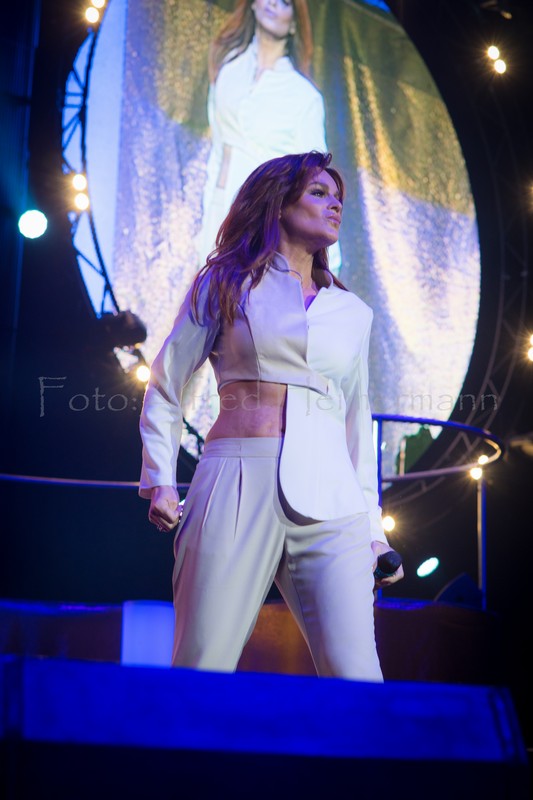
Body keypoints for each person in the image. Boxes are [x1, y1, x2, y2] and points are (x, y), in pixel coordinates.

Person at [139, 150, 403, 680]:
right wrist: (160, 478)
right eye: (318, 193)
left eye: (338, 198)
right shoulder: (226, 282)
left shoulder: (352, 311)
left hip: (333, 502)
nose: (334, 206)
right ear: (278, 203)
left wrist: (373, 530)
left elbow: (356, 422)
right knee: (202, 664)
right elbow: (166, 382)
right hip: (235, 482)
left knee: (358, 678)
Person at [197, 0, 341, 273]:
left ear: (294, 23)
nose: (273, 3)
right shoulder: (229, 70)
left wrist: (327, 265)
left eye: (285, 2)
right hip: (219, 211)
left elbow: (315, 178)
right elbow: (217, 150)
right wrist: (206, 221)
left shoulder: (303, 96)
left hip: (261, 225)